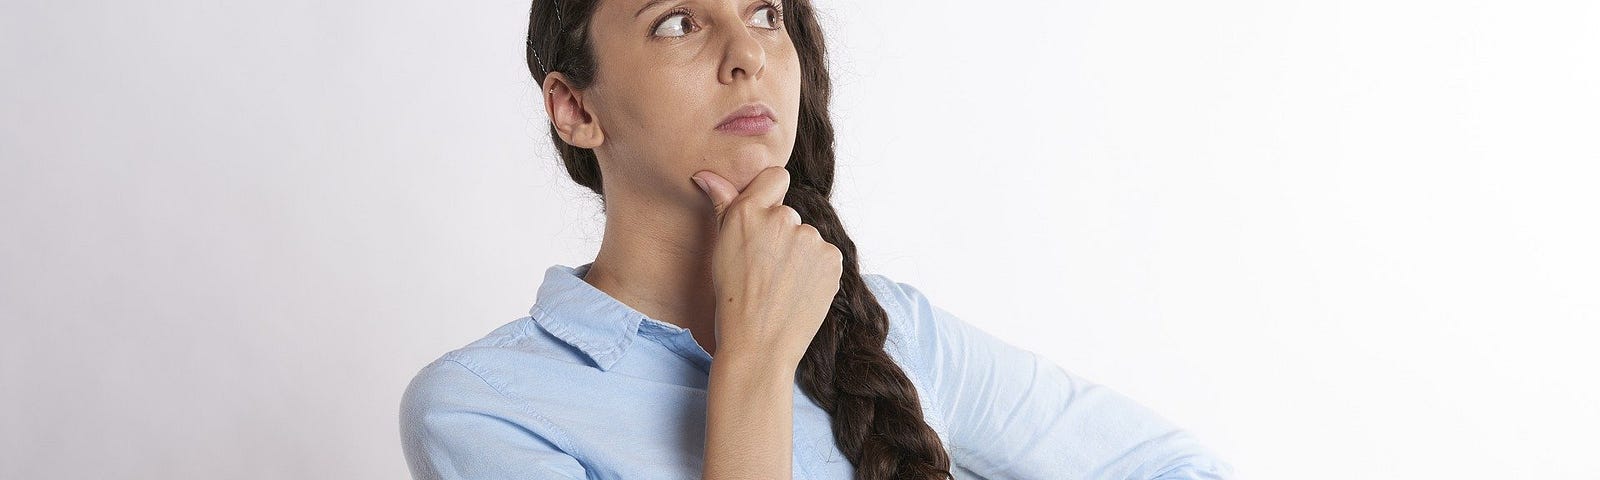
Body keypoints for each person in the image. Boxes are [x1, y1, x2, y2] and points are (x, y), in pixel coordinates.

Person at [399, 0, 1235, 478]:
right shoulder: (488, 406)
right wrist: (755, 363)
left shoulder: (896, 331)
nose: (748, 56)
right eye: (677, 23)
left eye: (765, 12)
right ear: (576, 108)